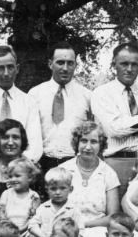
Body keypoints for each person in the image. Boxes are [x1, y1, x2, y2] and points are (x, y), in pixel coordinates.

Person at [92, 42, 138, 186]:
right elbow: (115, 128)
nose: (129, 69)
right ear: (114, 65)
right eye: (124, 64)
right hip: (118, 161)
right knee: (117, 207)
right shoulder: (102, 93)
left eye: (134, 64)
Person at [59, 121, 121, 237]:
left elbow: (113, 217)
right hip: (66, 229)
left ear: (101, 145)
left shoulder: (108, 174)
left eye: (93, 142)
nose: (88, 147)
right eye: (83, 141)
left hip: (97, 230)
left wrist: (84, 225)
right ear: (77, 143)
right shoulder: (63, 170)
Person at [29, 41, 93, 171]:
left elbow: (94, 133)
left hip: (76, 164)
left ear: (75, 65)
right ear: (50, 64)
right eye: (60, 62)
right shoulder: (35, 94)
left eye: (70, 63)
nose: (65, 68)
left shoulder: (87, 96)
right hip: (42, 164)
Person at [0, 157, 42, 237]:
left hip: (26, 229)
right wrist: (7, 225)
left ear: (30, 177)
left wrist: (23, 228)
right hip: (9, 229)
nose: (13, 179)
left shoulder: (33, 196)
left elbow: (34, 217)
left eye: (17, 176)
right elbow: (1, 213)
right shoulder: (6, 194)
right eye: (10, 176)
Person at [28, 167, 78, 237]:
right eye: (53, 189)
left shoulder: (73, 209)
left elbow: (81, 228)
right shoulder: (43, 208)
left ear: (70, 189)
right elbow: (32, 225)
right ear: (47, 189)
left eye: (62, 188)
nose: (58, 192)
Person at [0, 119, 30, 198]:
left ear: (22, 140)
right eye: (5, 137)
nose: (10, 143)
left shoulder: (31, 169)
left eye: (15, 137)